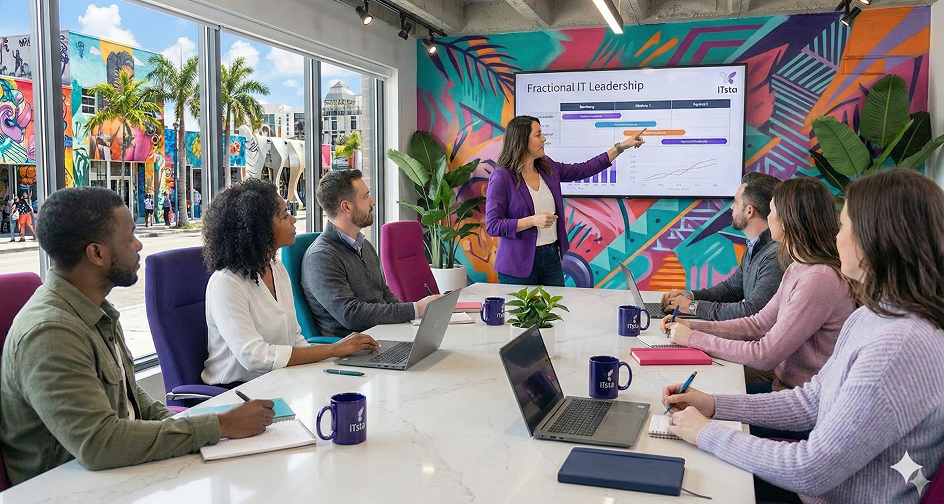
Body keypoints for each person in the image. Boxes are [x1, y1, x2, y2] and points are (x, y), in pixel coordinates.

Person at [661, 169, 944, 504]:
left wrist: (706, 432)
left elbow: (811, 470)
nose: (837, 237)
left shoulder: (898, 348)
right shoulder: (873, 315)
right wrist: (714, 405)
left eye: (845, 226)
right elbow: (810, 400)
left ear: (877, 240)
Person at [0, 187, 273, 486]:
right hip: (67, 488)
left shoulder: (96, 309)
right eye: (129, 237)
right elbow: (100, 444)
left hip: (119, 475)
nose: (139, 244)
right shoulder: (50, 332)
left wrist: (195, 427)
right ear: (97, 253)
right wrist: (220, 427)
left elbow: (133, 400)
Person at [663, 178, 855, 409]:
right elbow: (758, 324)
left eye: (772, 211)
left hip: (805, 405)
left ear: (788, 220)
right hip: (785, 390)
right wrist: (693, 327)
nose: (769, 218)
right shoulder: (798, 267)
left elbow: (764, 355)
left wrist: (693, 339)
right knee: (690, 403)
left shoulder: (819, 279)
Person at [201, 178, 379, 386]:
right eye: (284, 216)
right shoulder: (227, 283)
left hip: (279, 380)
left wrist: (329, 365)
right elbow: (253, 357)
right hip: (237, 392)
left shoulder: (275, 268)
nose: (293, 220)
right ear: (259, 229)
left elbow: (294, 340)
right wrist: (334, 349)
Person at [485, 116, 645, 286]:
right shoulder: (502, 176)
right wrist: (532, 221)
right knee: (521, 313)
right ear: (522, 140)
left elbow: (584, 169)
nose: (544, 139)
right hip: (518, 264)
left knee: (554, 311)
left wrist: (620, 148)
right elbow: (493, 225)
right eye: (538, 135)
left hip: (551, 258)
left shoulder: (547, 167)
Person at [301, 169, 440, 338]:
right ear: (346, 206)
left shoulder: (364, 245)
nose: (372, 202)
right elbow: (351, 315)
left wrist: (412, 319)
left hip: (384, 336)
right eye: (366, 196)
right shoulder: (321, 257)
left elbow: (384, 293)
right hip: (357, 350)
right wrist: (414, 310)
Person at [661, 172, 784, 320]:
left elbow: (752, 311)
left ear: (749, 211)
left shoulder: (775, 256)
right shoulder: (755, 247)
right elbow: (732, 289)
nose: (732, 207)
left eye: (736, 202)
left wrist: (693, 307)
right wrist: (690, 296)